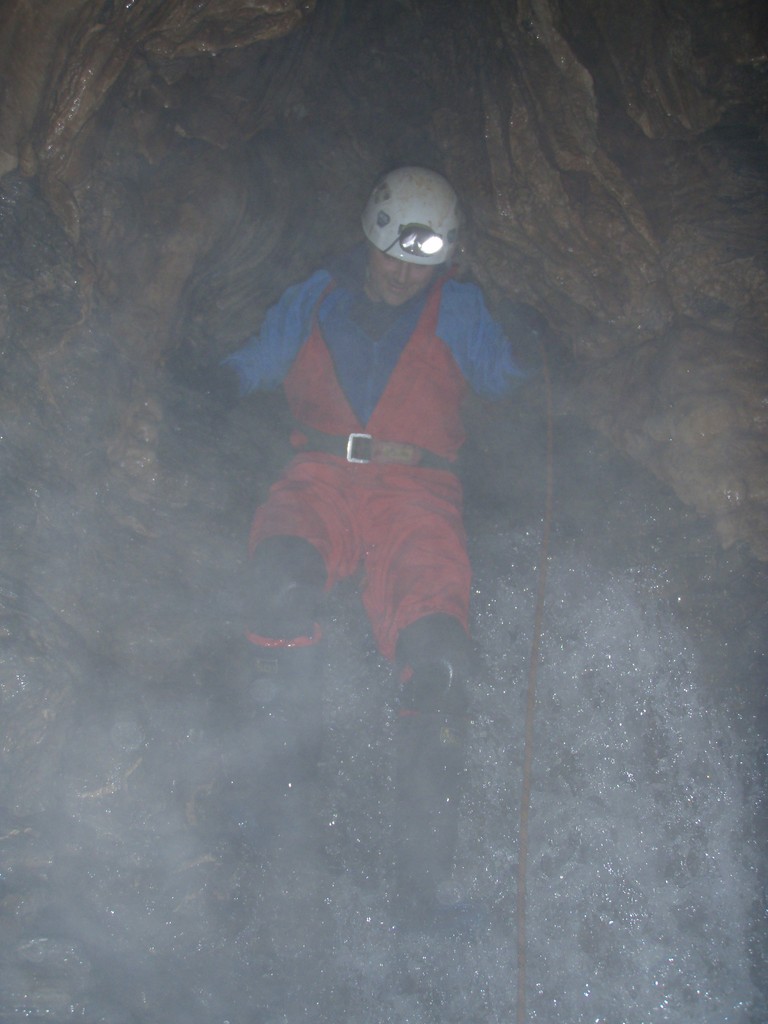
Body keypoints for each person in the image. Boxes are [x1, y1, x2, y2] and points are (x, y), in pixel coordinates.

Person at [216, 165, 535, 927]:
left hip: (416, 492)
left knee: (442, 661)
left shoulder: (457, 308)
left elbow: (506, 379)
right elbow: (257, 361)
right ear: (370, 237)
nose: (401, 272)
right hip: (319, 475)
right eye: (392, 254)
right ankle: (279, 812)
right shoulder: (316, 297)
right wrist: (209, 381)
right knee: (279, 585)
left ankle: (421, 890)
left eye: (421, 261)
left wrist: (535, 348)